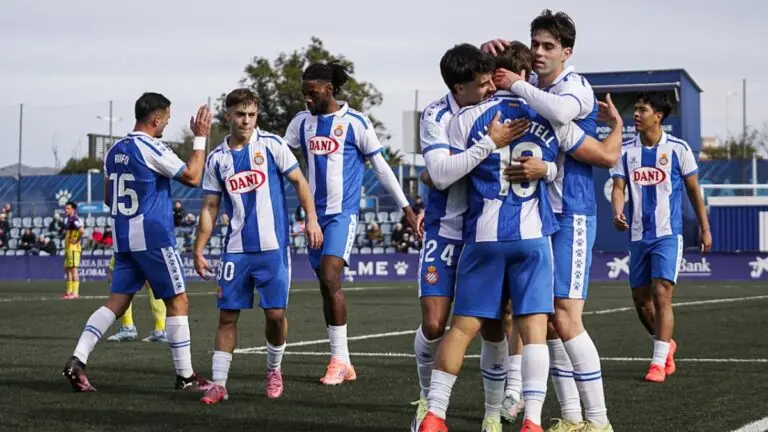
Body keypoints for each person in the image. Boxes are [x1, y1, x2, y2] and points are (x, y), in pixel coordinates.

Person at [419, 41, 623, 432]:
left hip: (482, 238)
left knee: (462, 329)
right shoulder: (548, 118)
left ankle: (434, 415)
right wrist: (547, 169)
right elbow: (593, 156)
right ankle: (532, 420)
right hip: (533, 239)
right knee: (534, 333)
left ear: (493, 77)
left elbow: (440, 173)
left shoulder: (464, 118)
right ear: (523, 74)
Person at [486, 10, 619, 431]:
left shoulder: (573, 86)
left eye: (548, 47)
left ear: (567, 52)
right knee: (545, 319)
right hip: (540, 217)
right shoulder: (537, 86)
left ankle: (598, 421)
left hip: (573, 211)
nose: (540, 53)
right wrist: (502, 56)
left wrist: (518, 81)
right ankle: (572, 417)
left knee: (565, 315)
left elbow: (564, 117)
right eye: (535, 45)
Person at [410, 43, 532, 432]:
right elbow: (441, 175)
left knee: (498, 322)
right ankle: (426, 401)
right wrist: (487, 145)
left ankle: (496, 410)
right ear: (458, 88)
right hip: (446, 231)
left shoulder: (492, 104)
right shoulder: (436, 114)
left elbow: (520, 67)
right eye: (481, 85)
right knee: (434, 324)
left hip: (486, 232)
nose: (489, 90)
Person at [62, 92, 212, 393]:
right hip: (154, 238)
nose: (166, 125)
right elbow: (194, 176)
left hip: (124, 240)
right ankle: (185, 377)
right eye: (166, 120)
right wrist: (200, 138)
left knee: (115, 303)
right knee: (178, 301)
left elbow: (108, 198)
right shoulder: (152, 147)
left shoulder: (113, 150)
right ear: (156, 120)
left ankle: (78, 360)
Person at [284, 63, 418, 385]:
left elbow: (382, 168)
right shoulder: (302, 123)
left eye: (312, 94)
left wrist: (407, 209)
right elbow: (280, 158)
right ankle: (343, 361)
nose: (307, 100)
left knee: (331, 275)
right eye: (304, 94)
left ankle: (339, 361)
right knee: (325, 286)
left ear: (329, 90)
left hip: (342, 214)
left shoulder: (355, 122)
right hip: (313, 217)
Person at [192, 88, 322, 403]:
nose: (246, 120)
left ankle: (274, 370)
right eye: (240, 114)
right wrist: (199, 249)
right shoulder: (217, 159)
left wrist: (312, 220)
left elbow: (300, 183)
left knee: (275, 314)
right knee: (227, 316)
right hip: (235, 250)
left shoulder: (273, 145)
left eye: (251, 115)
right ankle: (219, 384)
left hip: (273, 249)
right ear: (229, 116)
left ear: (257, 116)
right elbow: (210, 207)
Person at [610, 92, 711, 383]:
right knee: (642, 303)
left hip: (668, 234)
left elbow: (694, 190)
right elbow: (618, 188)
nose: (636, 115)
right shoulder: (627, 152)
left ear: (659, 116)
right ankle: (667, 344)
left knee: (662, 293)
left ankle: (657, 363)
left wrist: (705, 228)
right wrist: (617, 211)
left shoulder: (678, 149)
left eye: (642, 110)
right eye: (636, 110)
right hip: (638, 236)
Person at [105, 255, 168, 343]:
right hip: (147, 247)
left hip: (129, 247)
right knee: (152, 283)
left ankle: (128, 328)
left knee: (118, 280)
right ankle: (160, 330)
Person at [62, 201, 85, 299]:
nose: (65, 210)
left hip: (73, 248)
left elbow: (81, 230)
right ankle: (69, 292)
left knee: (74, 270)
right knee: (67, 269)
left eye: (68, 208)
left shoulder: (74, 219)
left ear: (73, 209)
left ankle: (75, 293)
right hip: (68, 248)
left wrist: (77, 239)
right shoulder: (70, 219)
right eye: (65, 208)